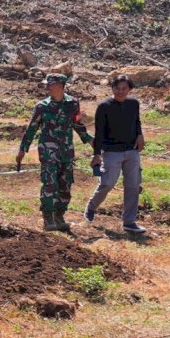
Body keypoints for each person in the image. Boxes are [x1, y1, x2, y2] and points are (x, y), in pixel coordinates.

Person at [16, 73, 92, 231]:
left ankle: (59, 216)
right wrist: (23, 149)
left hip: (66, 152)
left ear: (60, 85)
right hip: (48, 152)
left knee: (65, 184)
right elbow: (32, 128)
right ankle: (48, 218)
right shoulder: (42, 106)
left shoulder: (72, 103)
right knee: (50, 184)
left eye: (50, 84)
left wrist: (90, 140)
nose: (47, 87)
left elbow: (76, 123)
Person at [84, 74, 147, 233]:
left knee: (133, 186)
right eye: (117, 88)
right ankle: (92, 206)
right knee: (107, 183)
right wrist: (96, 154)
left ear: (129, 89)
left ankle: (129, 222)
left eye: (124, 89)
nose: (120, 92)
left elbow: (136, 121)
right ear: (112, 89)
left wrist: (140, 135)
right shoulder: (104, 106)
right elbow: (99, 132)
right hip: (112, 152)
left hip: (131, 151)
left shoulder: (133, 104)